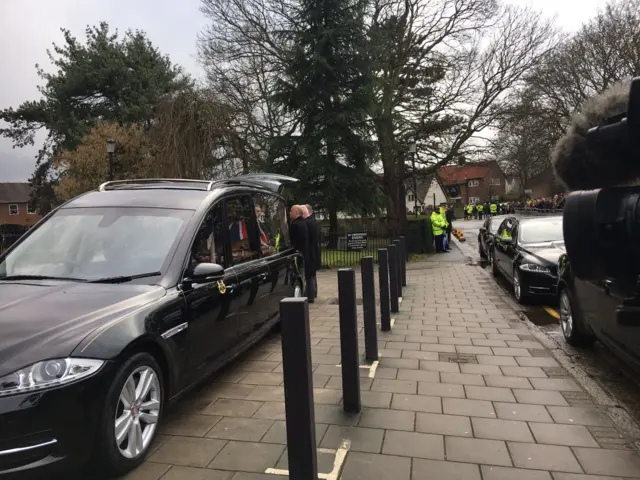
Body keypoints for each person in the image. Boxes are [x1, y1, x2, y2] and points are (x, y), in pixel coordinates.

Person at [289, 204, 310, 289]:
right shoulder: (304, 222)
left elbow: (293, 240)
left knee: (298, 273)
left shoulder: (295, 224)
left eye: (291, 211)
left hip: (297, 253)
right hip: (304, 252)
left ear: (296, 212)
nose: (289, 212)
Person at [303, 204, 320, 302]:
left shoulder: (307, 222)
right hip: (314, 251)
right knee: (313, 274)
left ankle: (311, 295)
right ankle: (314, 292)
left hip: (310, 252)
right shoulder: (313, 221)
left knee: (310, 274)